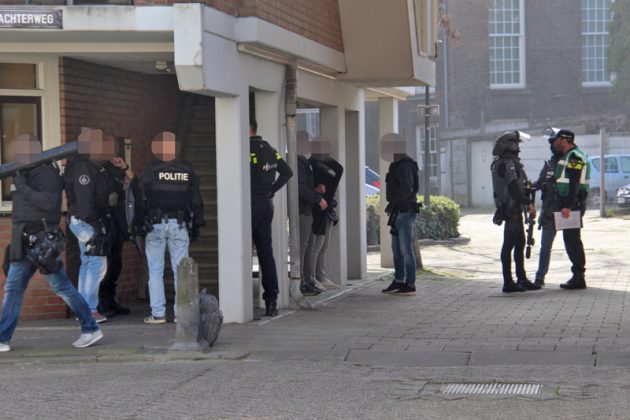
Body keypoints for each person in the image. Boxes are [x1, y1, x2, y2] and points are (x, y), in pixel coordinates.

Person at [0, 134, 102, 352]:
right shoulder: (23, 171)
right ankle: (2, 338)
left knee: (62, 288)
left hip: (42, 240)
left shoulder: (46, 172)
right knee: (13, 288)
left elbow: (48, 203)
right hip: (24, 239)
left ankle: (91, 328)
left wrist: (22, 185)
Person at [135, 132, 205, 324]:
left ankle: (158, 314)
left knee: (155, 271)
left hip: (155, 225)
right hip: (179, 224)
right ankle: (180, 313)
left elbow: (140, 200)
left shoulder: (150, 170)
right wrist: (197, 225)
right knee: (180, 270)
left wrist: (139, 224)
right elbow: (196, 200)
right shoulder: (187, 170)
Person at [65, 129, 115, 323]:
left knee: (87, 264)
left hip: (84, 221)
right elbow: (86, 202)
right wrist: (95, 225)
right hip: (87, 222)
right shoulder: (83, 168)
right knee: (96, 264)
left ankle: (84, 309)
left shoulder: (88, 166)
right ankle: (90, 310)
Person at [249, 119, 293, 317]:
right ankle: (271, 301)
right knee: (266, 252)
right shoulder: (270, 149)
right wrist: (271, 191)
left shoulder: (246, 149)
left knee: (242, 252)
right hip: (266, 205)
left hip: (249, 205)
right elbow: (287, 172)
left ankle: (238, 300)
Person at [490, 131, 540, 293]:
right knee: (509, 246)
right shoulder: (508, 164)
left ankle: (521, 278)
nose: (519, 147)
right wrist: (527, 203)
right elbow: (513, 187)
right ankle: (508, 282)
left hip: (513, 210)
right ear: (510, 146)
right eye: (517, 144)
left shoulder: (506, 163)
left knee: (519, 244)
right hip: (511, 210)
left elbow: (521, 186)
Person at [549, 129, 590, 289]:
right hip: (570, 203)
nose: (555, 143)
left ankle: (579, 276)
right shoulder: (568, 156)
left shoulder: (574, 157)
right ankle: (577, 275)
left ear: (565, 139)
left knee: (573, 241)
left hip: (572, 204)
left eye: (557, 139)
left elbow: (574, 183)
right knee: (571, 240)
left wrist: (567, 206)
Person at [380, 135, 420, 296]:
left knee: (405, 249)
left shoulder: (405, 165)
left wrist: (396, 202)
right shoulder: (397, 165)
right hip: (398, 211)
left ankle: (410, 284)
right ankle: (399, 280)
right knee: (396, 249)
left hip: (405, 211)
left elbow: (408, 189)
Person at [97, 155, 134, 317]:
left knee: (116, 263)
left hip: (118, 223)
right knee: (104, 264)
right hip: (104, 222)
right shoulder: (95, 169)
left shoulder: (115, 168)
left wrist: (124, 168)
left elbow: (134, 183)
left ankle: (110, 299)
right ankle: (101, 302)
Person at [304, 140, 343, 292]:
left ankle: (321, 275)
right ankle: (312, 277)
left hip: (327, 209)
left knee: (324, 245)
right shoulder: (311, 165)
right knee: (315, 245)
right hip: (315, 210)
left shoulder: (326, 167)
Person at [297, 132, 327, 296]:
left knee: (309, 245)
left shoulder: (303, 161)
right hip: (302, 209)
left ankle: (308, 280)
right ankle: (301, 281)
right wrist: (317, 198)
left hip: (307, 208)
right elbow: (299, 188)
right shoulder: (298, 161)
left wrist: (315, 190)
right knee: (303, 247)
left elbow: (303, 186)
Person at [533, 128, 564, 287]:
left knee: (572, 245)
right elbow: (538, 184)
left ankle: (578, 275)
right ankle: (539, 277)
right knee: (545, 246)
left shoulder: (570, 162)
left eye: (556, 143)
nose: (554, 146)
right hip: (549, 212)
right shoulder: (549, 165)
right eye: (551, 144)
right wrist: (525, 187)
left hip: (566, 211)